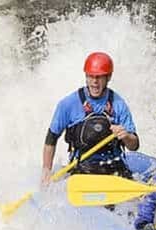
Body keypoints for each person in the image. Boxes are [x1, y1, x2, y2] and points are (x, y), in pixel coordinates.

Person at [41, 52, 139, 185]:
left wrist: (126, 136)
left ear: (108, 77)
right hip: (82, 169)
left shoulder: (118, 103)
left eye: (99, 77)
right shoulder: (68, 104)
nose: (94, 82)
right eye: (90, 76)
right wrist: (46, 170)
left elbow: (134, 145)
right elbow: (51, 139)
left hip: (114, 168)